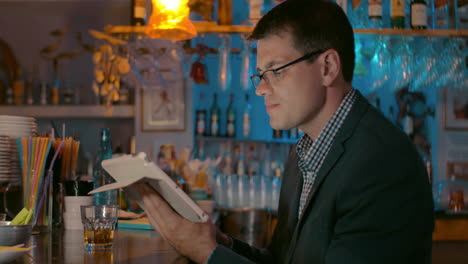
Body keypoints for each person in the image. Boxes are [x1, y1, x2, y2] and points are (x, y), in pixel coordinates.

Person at [135, 0, 435, 263]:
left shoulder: (382, 164)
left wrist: (207, 255)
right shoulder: (303, 154)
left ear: (327, 67)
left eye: (276, 71)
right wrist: (220, 244)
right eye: (260, 75)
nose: (261, 89)